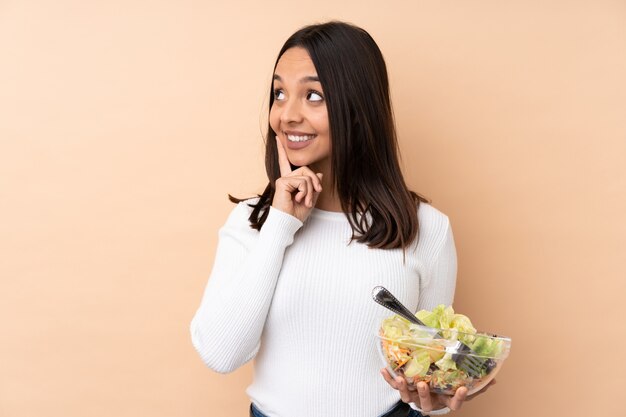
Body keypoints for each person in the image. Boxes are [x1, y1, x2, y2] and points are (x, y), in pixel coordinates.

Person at [191, 21, 490, 417]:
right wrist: (280, 223)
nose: (287, 115)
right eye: (279, 94)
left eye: (313, 95)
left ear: (358, 107)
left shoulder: (426, 228)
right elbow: (221, 353)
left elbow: (429, 371)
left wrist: (434, 400)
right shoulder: (252, 222)